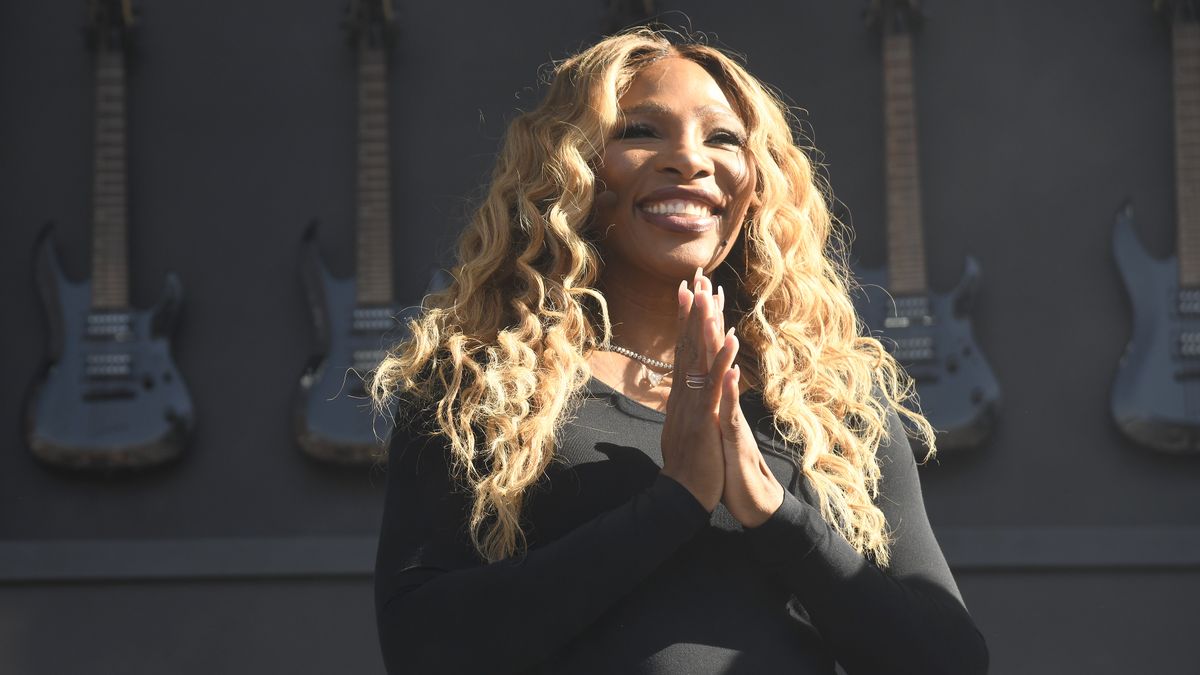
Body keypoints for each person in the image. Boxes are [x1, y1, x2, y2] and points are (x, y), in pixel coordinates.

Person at [370, 28, 989, 675]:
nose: (688, 159)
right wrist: (673, 503)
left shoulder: (830, 401)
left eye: (721, 137)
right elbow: (424, 645)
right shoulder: (479, 389)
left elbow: (948, 659)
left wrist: (774, 510)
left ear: (757, 181)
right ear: (571, 167)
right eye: (640, 131)